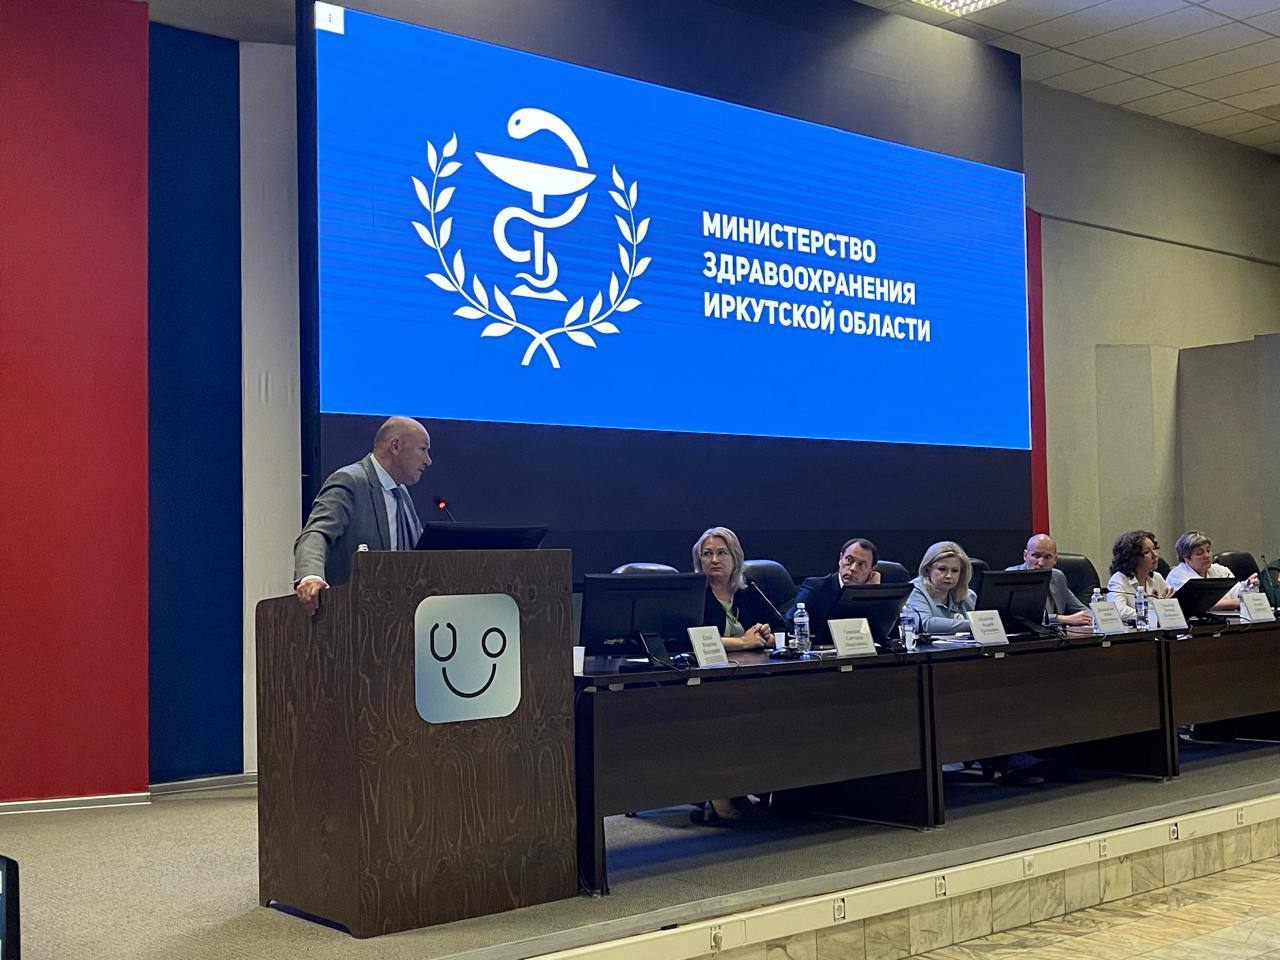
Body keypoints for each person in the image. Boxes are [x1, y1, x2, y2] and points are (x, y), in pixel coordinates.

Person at [293, 416, 432, 615]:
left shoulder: (401, 493)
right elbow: (316, 533)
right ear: (395, 446)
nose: (428, 460)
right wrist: (311, 577)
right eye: (423, 449)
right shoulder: (350, 481)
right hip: (353, 615)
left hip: (400, 615)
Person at [693, 526, 780, 652]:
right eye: (707, 553)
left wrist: (767, 637)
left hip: (752, 662)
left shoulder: (748, 588)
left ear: (735, 558)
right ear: (699, 559)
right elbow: (694, 640)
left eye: (722, 553)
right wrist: (743, 642)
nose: (714, 560)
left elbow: (781, 629)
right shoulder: (695, 594)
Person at [787, 537, 882, 646]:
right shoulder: (815, 588)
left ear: (871, 570)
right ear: (840, 559)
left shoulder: (880, 593)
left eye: (861, 564)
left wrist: (872, 592)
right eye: (849, 560)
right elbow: (789, 626)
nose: (853, 568)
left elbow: (881, 634)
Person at [1006, 534, 1094, 627]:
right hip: (1024, 634)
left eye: (1047, 557)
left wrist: (1098, 617)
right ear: (1025, 555)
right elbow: (1020, 617)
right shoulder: (1012, 576)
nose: (1041, 563)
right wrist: (1063, 619)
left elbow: (1080, 608)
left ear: (1055, 559)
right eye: (1036, 556)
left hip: (1056, 634)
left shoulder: (1057, 576)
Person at [1166, 531, 1259, 611]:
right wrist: (1237, 603)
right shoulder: (1177, 576)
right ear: (1186, 558)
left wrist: (1247, 586)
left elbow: (1237, 593)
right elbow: (1198, 605)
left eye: (1208, 550)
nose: (1207, 556)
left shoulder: (1220, 570)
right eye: (1199, 553)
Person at [907, 541, 976, 635]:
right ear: (927, 569)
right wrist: (976, 625)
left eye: (955, 570)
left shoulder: (968, 596)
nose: (949, 576)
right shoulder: (914, 590)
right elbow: (926, 624)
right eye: (942, 569)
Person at [1106, 530, 1171, 621]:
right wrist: (1153, 613)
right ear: (1132, 558)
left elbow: (1169, 609)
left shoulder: (1157, 578)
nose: (1155, 555)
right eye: (1146, 552)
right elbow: (1119, 611)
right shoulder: (1118, 580)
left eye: (1154, 549)